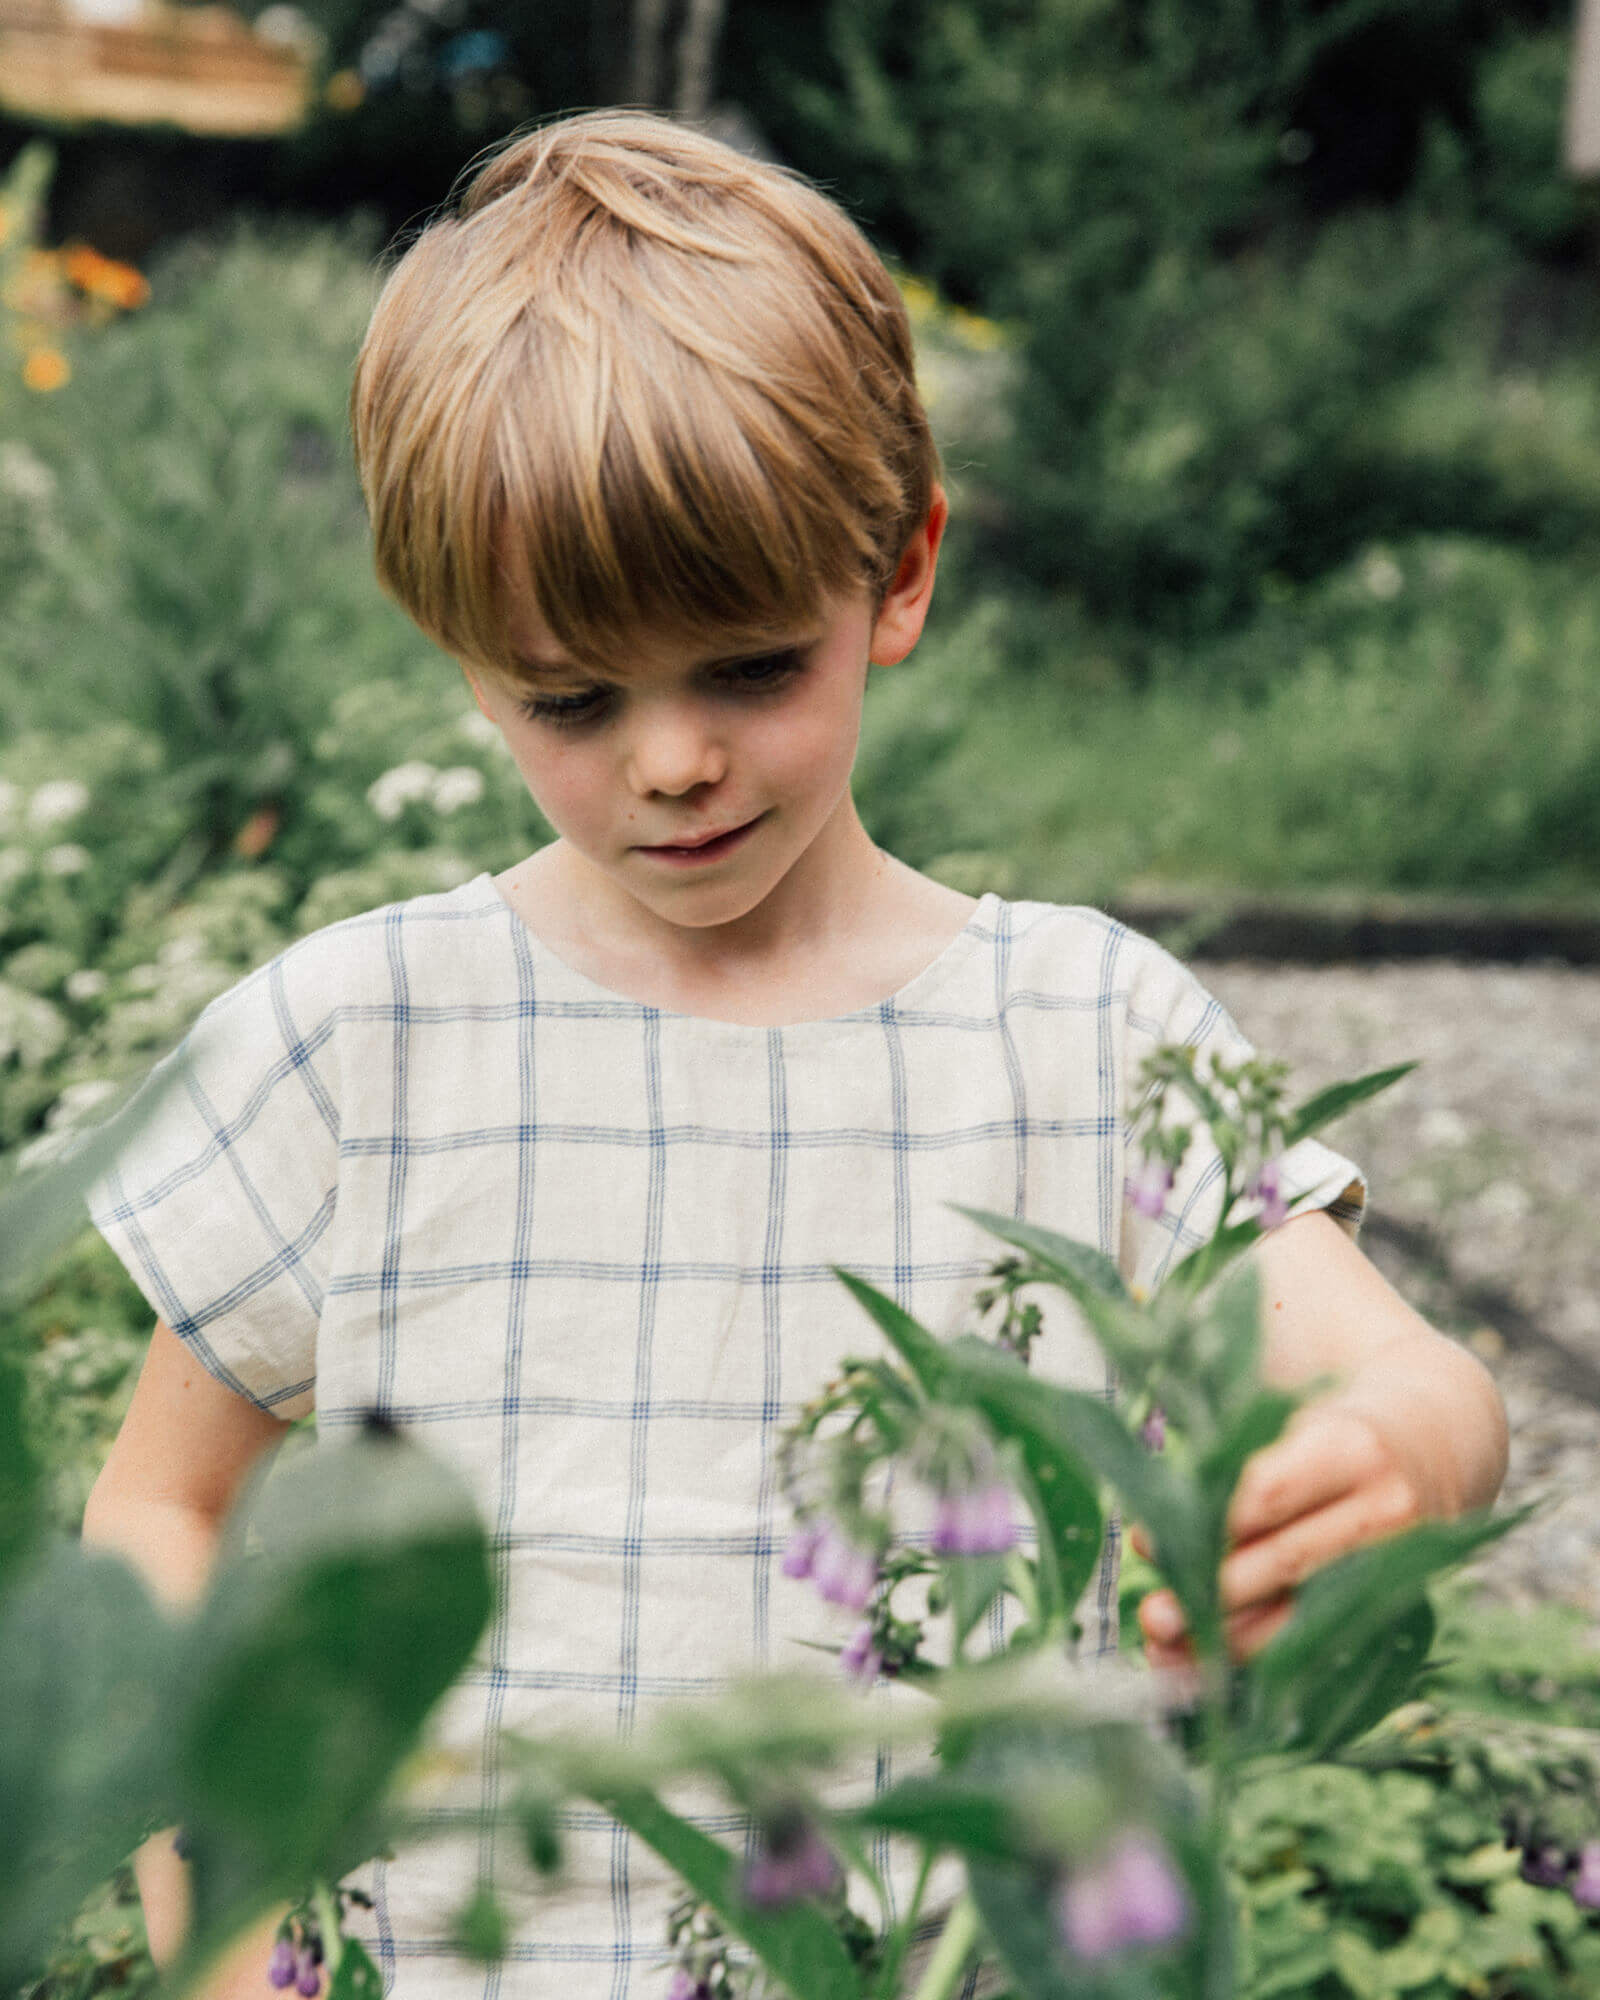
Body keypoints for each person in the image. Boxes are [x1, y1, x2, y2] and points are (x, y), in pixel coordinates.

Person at [79, 110, 1508, 2000]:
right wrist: (224, 1924)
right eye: (572, 700)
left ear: (896, 575)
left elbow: (1418, 1384)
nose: (671, 761)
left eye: (748, 665)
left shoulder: (1086, 1031)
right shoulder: (363, 1038)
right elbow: (161, 1502)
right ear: (464, 659)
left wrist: (1398, 1450)